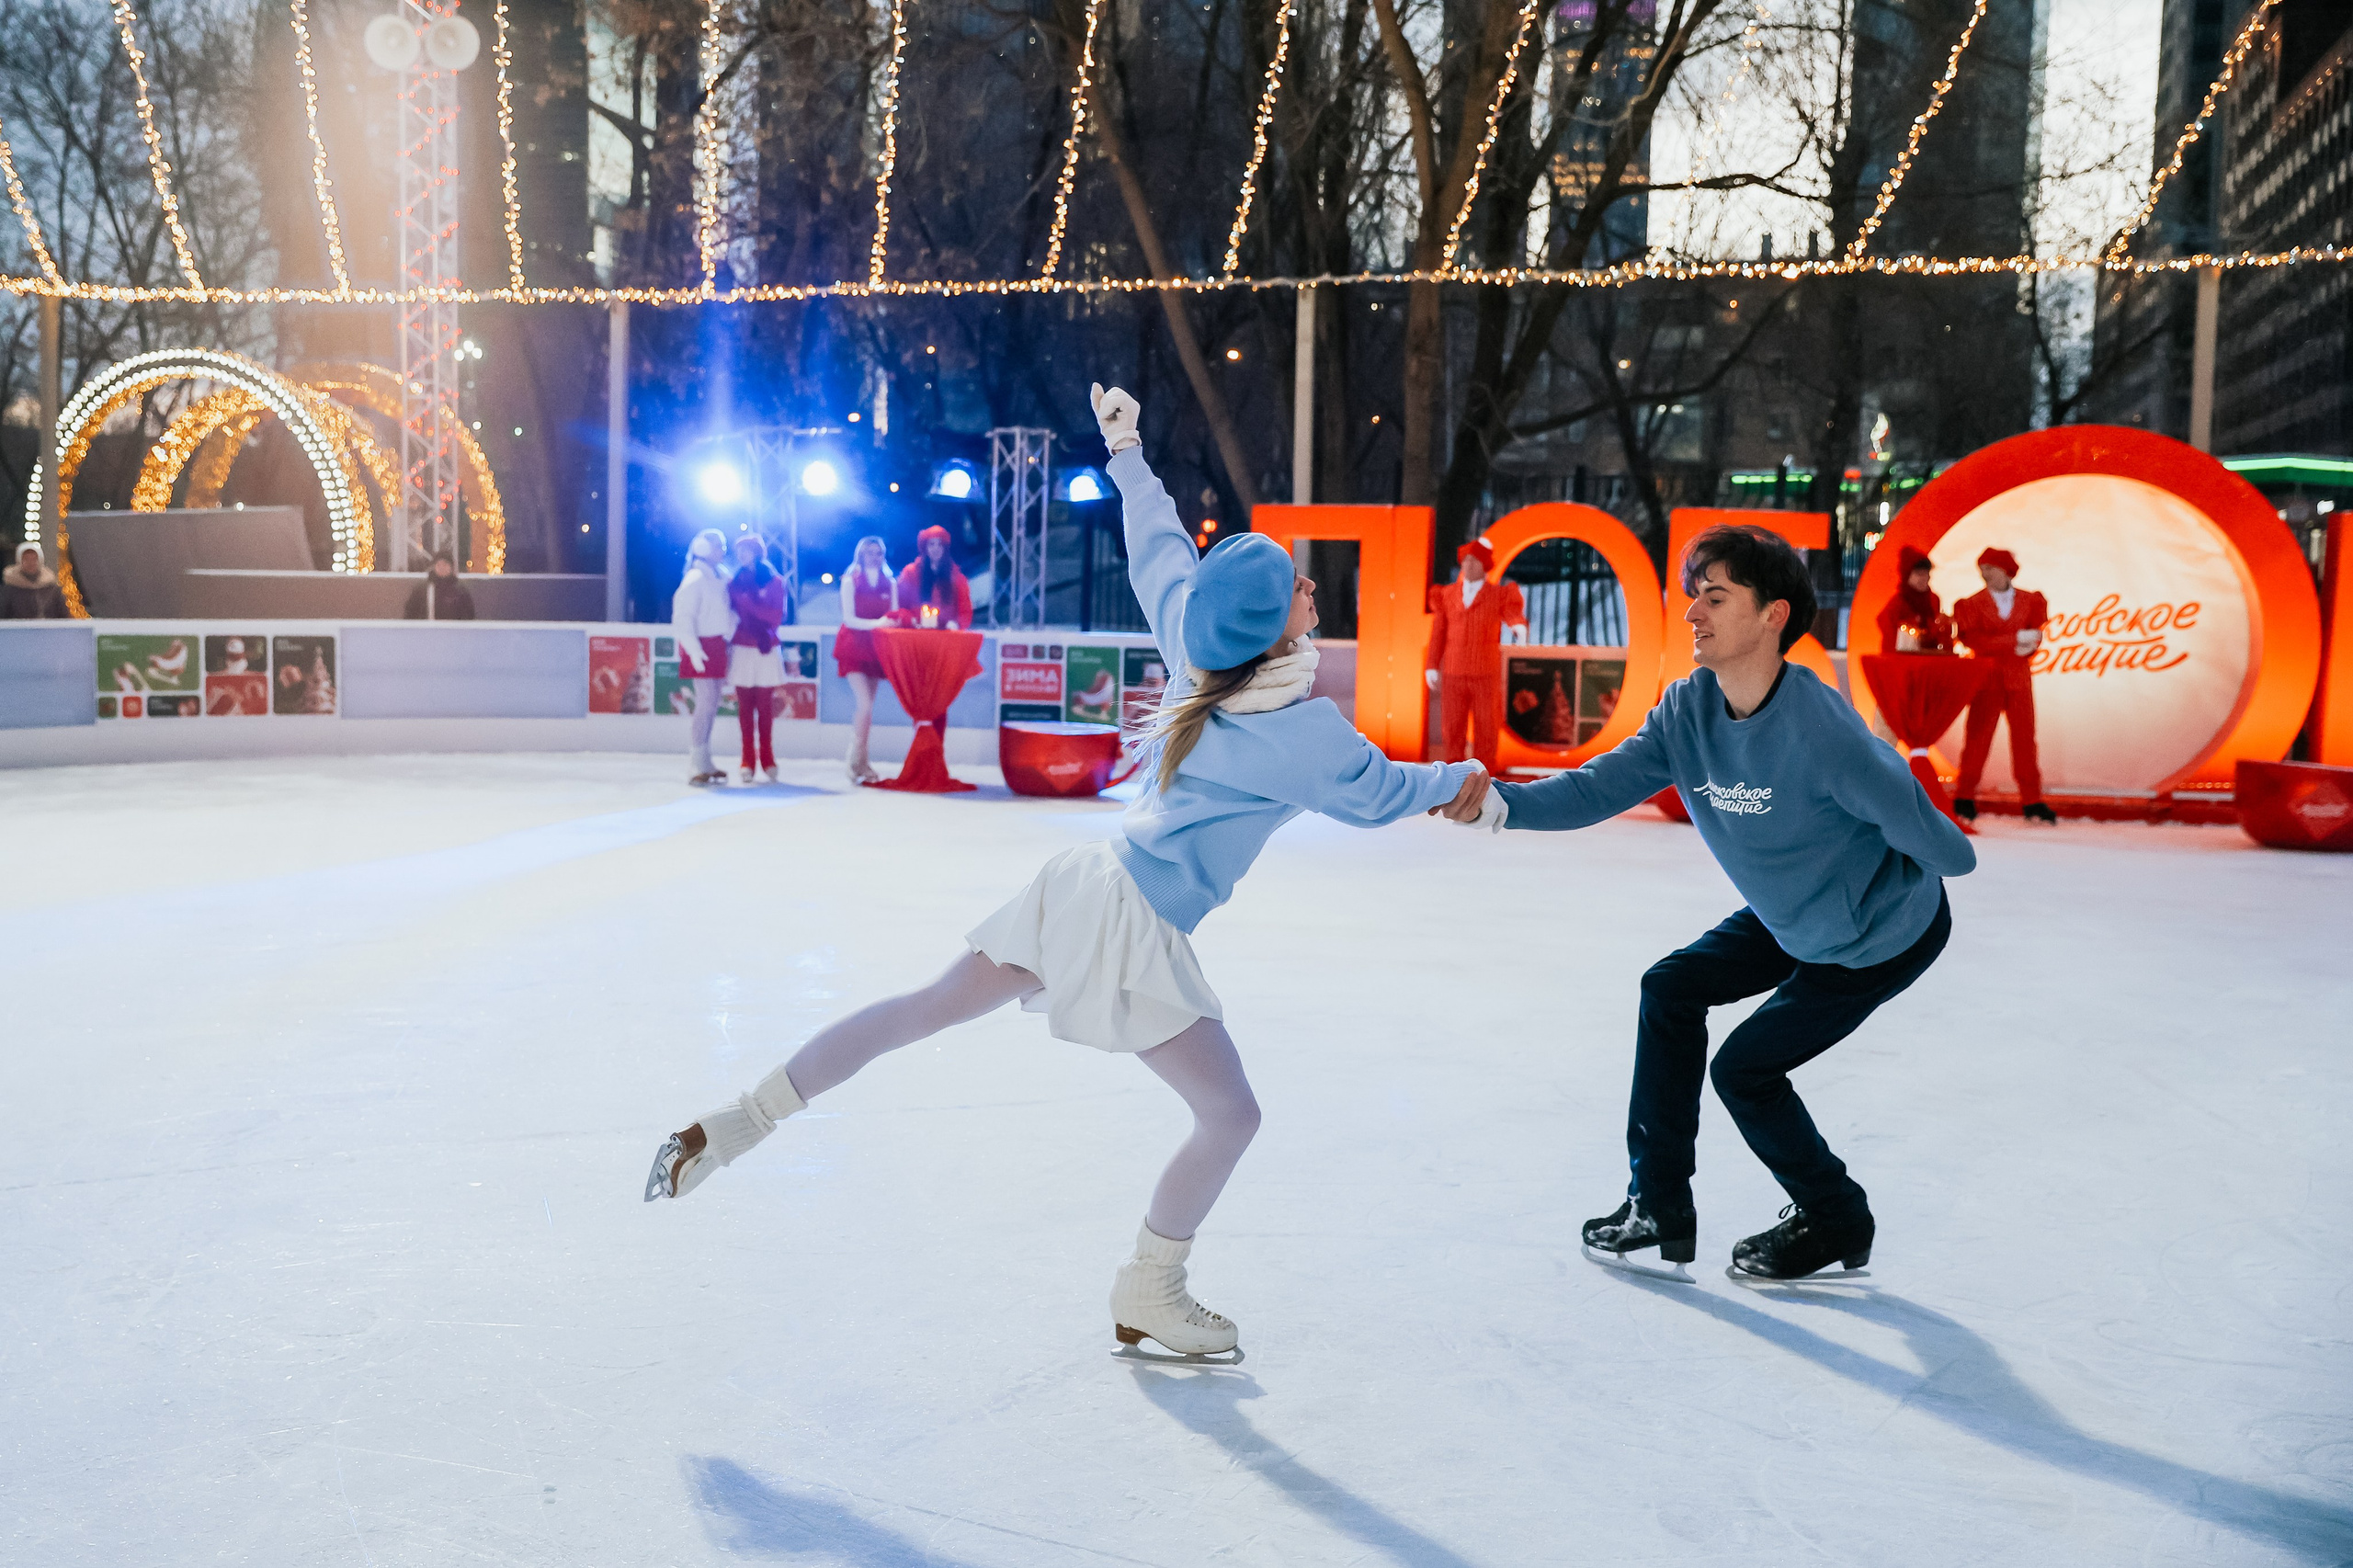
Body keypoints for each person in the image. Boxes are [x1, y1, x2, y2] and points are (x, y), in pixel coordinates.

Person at [644, 382, 1487, 1360]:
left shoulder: (1193, 640)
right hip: (1130, 922)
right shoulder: (1295, 726)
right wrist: (1468, 782)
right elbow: (1379, 789)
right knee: (1231, 1111)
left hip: (1084, 879)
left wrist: (1126, 450)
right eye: (1297, 583)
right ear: (1272, 621)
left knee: (921, 1008)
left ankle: (740, 1120)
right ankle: (1151, 1287)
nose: (1311, 589)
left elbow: (1159, 546)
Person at [1440, 524, 1975, 1280]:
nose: (1694, 612)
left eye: (1715, 597)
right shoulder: (1687, 713)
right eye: (1695, 595)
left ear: (1773, 615)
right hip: (1788, 914)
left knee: (1745, 1071)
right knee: (1671, 988)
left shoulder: (1825, 734)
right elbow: (1597, 787)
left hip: (1872, 937)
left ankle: (1836, 1218)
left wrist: (1892, 854)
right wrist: (1497, 805)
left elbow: (1950, 851)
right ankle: (1659, 1204)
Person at [1952, 548, 2055, 824]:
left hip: (2019, 679)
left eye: (1990, 568)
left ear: (2005, 570)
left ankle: (2032, 800)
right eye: (1982, 569)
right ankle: (1964, 796)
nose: (1985, 574)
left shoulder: (2030, 600)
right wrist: (2016, 639)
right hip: (1987, 680)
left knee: (2025, 740)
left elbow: (2034, 636)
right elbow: (1976, 642)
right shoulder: (1971, 605)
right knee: (1977, 739)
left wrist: (2029, 645)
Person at [1425, 539, 1528, 771]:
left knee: (1486, 726)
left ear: (1484, 564)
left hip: (1485, 673)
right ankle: (1453, 774)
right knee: (1453, 726)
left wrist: (1518, 625)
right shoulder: (1448, 595)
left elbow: (1511, 612)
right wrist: (1432, 664)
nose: (1468, 565)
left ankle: (1485, 774)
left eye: (1474, 561)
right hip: (1454, 671)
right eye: (1465, 560)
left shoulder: (1498, 595)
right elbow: (1439, 632)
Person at [672, 528, 737, 787]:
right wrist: (694, 649)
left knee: (711, 705)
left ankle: (704, 759)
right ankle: (696, 761)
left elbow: (726, 612)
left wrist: (732, 631)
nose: (723, 550)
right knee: (705, 705)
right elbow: (683, 617)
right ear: (703, 549)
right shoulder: (696, 578)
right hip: (701, 646)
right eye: (718, 546)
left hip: (717, 645)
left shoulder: (719, 577)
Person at [835, 535, 900, 783]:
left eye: (879, 553)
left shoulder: (890, 582)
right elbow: (848, 618)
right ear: (861, 554)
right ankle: (857, 760)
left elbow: (893, 615)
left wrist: (890, 624)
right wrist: (878, 623)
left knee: (868, 708)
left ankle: (859, 760)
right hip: (853, 646)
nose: (875, 557)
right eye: (870, 552)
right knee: (865, 704)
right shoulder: (850, 580)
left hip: (876, 648)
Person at [726, 533, 789, 784]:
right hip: (742, 648)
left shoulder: (774, 582)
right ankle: (747, 759)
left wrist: (749, 607)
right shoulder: (734, 582)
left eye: (747, 550)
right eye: (738, 550)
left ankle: (768, 757)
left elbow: (775, 617)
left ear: (757, 552)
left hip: (765, 649)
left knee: (764, 707)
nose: (742, 555)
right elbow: (731, 613)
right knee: (744, 708)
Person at [1875, 546, 1951, 653]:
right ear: (1907, 576)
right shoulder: (1898, 602)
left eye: (1927, 574)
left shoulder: (1933, 599)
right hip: (1903, 657)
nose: (1924, 578)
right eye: (1919, 574)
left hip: (1929, 654)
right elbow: (1887, 629)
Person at [898, 524, 972, 631]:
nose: (935, 549)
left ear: (945, 548)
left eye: (940, 545)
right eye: (931, 544)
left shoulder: (957, 577)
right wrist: (910, 620)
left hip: (946, 635)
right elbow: (900, 605)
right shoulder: (910, 573)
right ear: (925, 548)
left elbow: (965, 611)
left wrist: (956, 624)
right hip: (915, 633)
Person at [402, 551, 477, 620]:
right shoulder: (422, 589)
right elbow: (410, 613)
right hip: (426, 633)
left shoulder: (460, 590)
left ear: (451, 567)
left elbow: (468, 615)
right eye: (438, 565)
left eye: (445, 564)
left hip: (452, 633)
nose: (441, 568)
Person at [2, 542, 68, 619]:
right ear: (19, 561)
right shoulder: (9, 590)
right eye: (26, 559)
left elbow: (63, 615)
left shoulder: (52, 589)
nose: (31, 563)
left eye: (34, 559)